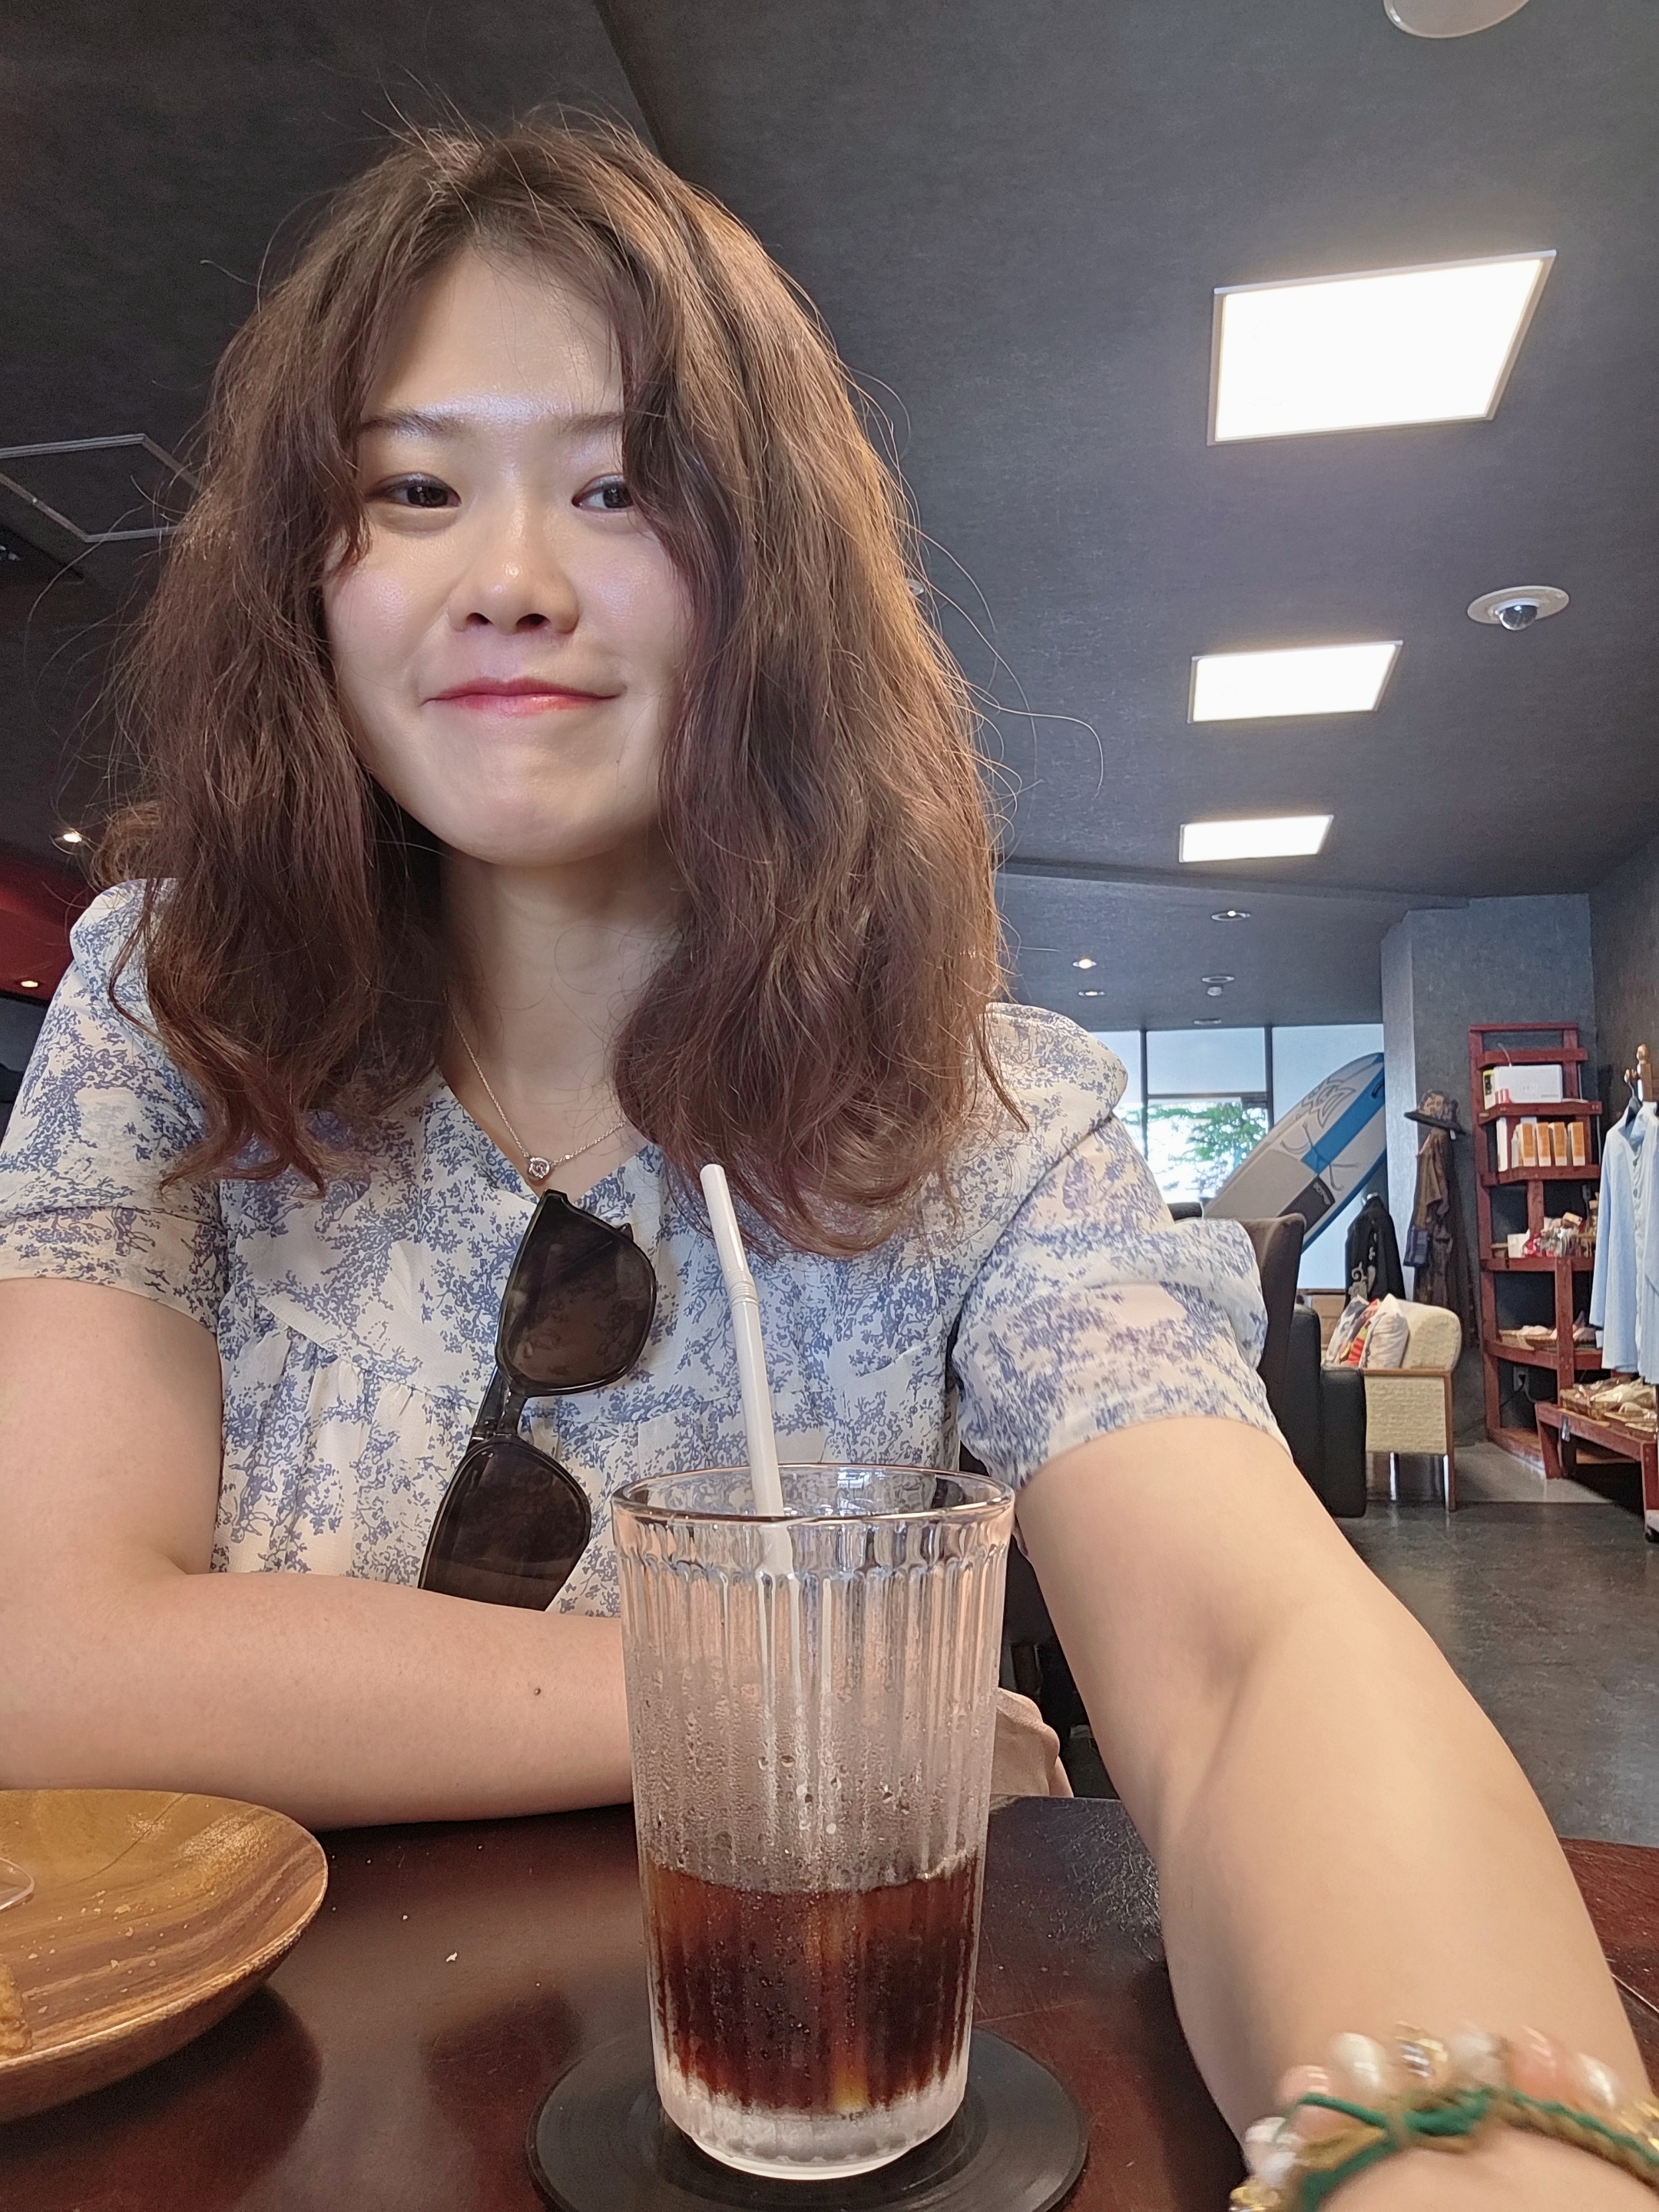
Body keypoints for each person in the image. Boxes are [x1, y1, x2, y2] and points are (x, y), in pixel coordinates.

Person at [0, 124, 1647, 2208]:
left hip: (802, 2123)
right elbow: (44, 1658)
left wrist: (1462, 2151)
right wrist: (823, 1700)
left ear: (763, 570)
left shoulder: (982, 1120)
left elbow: (1251, 1665)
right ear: (307, 578)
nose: (509, 573)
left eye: (618, 487)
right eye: (413, 489)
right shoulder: (175, 1012)